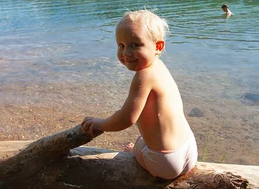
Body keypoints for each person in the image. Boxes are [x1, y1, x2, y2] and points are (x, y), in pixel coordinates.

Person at [81, 10, 197, 179]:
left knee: (138, 144)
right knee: (144, 138)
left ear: (158, 46)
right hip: (188, 148)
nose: (126, 53)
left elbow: (126, 119)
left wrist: (100, 124)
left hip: (166, 161)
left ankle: (136, 153)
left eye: (135, 45)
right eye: (121, 45)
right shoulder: (160, 67)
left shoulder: (143, 76)